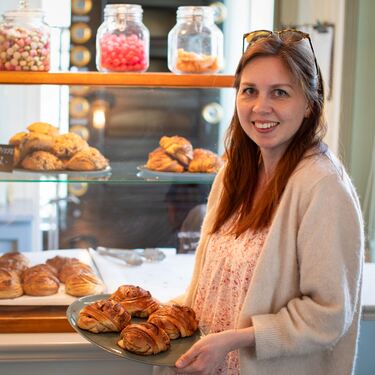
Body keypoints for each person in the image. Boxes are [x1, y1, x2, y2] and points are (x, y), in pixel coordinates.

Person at [156, 29, 364, 375]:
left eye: (280, 93)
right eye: (249, 90)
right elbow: (213, 285)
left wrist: (235, 340)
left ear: (309, 104)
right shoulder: (235, 172)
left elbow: (328, 314)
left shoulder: (323, 186)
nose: (260, 107)